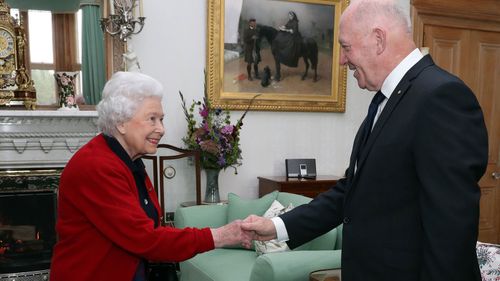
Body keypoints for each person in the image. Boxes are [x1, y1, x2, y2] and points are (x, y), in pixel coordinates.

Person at [242, 1, 488, 281]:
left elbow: (451, 226)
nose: (342, 60)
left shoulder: (441, 97)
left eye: (346, 47)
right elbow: (352, 191)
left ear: (379, 40)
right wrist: (277, 226)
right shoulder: (383, 101)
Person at [50, 72, 252, 281]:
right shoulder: (97, 166)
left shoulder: (129, 160)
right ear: (121, 122)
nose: (161, 129)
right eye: (152, 119)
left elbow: (149, 227)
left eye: (161, 119)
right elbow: (145, 238)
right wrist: (219, 236)